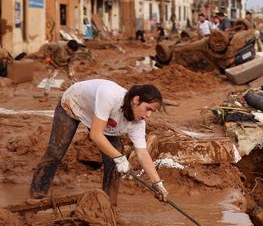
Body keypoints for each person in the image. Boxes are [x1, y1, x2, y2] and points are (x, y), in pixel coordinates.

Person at [30, 80, 169, 206]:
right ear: (136, 100)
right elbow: (95, 135)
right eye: (148, 109)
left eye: (153, 112)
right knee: (56, 152)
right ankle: (37, 197)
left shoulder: (138, 123)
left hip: (101, 119)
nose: (148, 115)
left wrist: (157, 183)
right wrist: (120, 158)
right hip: (73, 104)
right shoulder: (110, 96)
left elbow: (143, 154)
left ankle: (108, 207)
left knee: (114, 163)